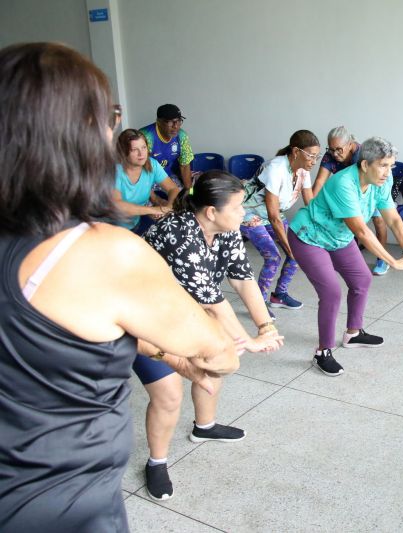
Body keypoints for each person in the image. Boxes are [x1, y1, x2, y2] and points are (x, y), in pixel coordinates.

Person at [0, 42, 238, 531]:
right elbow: (219, 354)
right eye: (109, 115)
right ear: (84, 132)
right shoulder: (102, 252)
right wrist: (181, 356)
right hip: (60, 505)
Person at [137, 170, 284, 501]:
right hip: (145, 316)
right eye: (237, 206)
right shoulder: (179, 233)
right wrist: (250, 340)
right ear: (211, 211)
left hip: (187, 308)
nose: (244, 212)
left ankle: (204, 427)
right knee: (168, 394)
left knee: (219, 358)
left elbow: (242, 278)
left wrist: (265, 327)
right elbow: (216, 306)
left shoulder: (227, 229)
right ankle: (156, 462)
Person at [289, 137, 403, 376]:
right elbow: (361, 231)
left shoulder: (382, 180)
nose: (387, 172)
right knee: (331, 292)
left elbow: (393, 218)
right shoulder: (343, 183)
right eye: (382, 165)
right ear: (365, 165)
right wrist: (392, 261)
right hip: (309, 235)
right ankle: (323, 352)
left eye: (391, 165)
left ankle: (353, 333)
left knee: (361, 280)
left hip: (338, 237)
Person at [241, 130, 316, 312]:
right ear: (296, 152)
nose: (314, 161)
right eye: (311, 156)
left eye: (317, 156)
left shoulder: (303, 170)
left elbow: (311, 204)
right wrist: (289, 249)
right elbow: (273, 216)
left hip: (272, 214)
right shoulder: (275, 168)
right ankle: (258, 306)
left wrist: (320, 231)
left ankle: (279, 295)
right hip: (249, 214)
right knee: (273, 257)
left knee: (298, 249)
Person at [313, 126, 391, 276]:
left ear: (350, 144)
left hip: (370, 190)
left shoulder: (363, 154)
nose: (335, 154)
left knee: (379, 221)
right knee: (349, 224)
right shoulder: (330, 155)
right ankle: (351, 258)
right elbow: (320, 182)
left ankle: (382, 258)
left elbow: (371, 179)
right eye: (331, 149)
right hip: (346, 194)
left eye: (338, 149)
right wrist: (312, 207)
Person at [113, 128, 180, 235]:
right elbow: (118, 205)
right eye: (134, 150)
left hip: (133, 224)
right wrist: (152, 210)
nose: (141, 154)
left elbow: (173, 189)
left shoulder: (152, 164)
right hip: (109, 228)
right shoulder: (115, 171)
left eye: (143, 147)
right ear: (123, 152)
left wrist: (168, 207)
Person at [140, 103, 195, 190]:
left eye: (179, 121)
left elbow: (184, 166)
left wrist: (190, 192)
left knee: (182, 198)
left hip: (170, 176)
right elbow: (138, 167)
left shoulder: (182, 136)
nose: (176, 126)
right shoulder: (146, 137)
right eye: (170, 122)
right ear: (159, 122)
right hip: (148, 179)